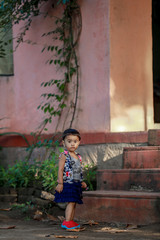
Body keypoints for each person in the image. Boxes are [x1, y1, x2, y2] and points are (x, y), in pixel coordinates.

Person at [54, 128, 87, 230]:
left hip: (76, 183)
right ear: (64, 143)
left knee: (74, 202)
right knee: (70, 201)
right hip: (68, 182)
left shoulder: (78, 156)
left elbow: (78, 170)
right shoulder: (64, 155)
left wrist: (81, 181)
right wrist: (60, 183)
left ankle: (71, 220)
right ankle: (67, 221)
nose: (72, 144)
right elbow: (60, 169)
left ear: (79, 142)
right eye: (69, 141)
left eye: (75, 141)